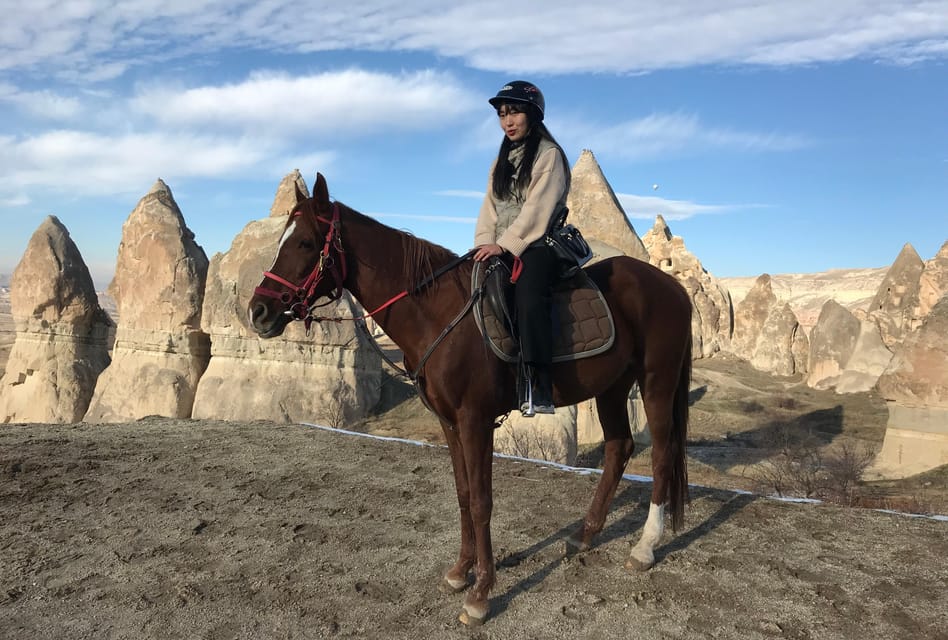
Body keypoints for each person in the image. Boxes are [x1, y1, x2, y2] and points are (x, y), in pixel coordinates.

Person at [473, 80, 571, 416]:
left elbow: (538, 211)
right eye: (502, 114)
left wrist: (504, 246)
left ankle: (539, 383)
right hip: (499, 244)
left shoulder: (549, 155)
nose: (507, 121)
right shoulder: (500, 160)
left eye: (514, 112)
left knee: (529, 295)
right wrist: (483, 245)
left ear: (532, 114)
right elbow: (490, 207)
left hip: (537, 242)